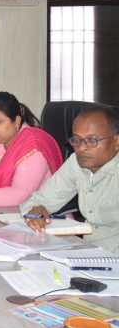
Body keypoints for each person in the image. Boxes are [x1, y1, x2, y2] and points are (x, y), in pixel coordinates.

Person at [22, 106, 119, 253]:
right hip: (88, 253)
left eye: (91, 140)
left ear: (116, 141)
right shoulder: (76, 162)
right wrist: (36, 211)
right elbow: (37, 202)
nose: (81, 148)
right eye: (76, 140)